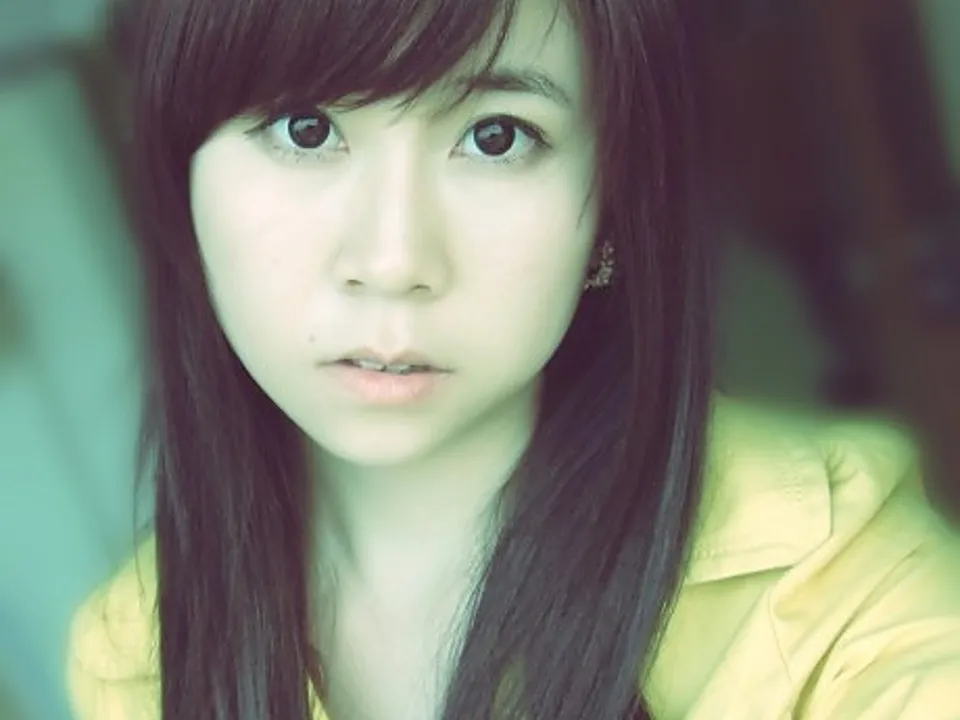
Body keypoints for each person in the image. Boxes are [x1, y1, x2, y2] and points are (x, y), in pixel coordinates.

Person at [65, 0, 960, 717]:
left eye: (497, 136)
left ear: (610, 211)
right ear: (181, 179)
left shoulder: (835, 588)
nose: (393, 261)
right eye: (305, 129)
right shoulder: (134, 652)